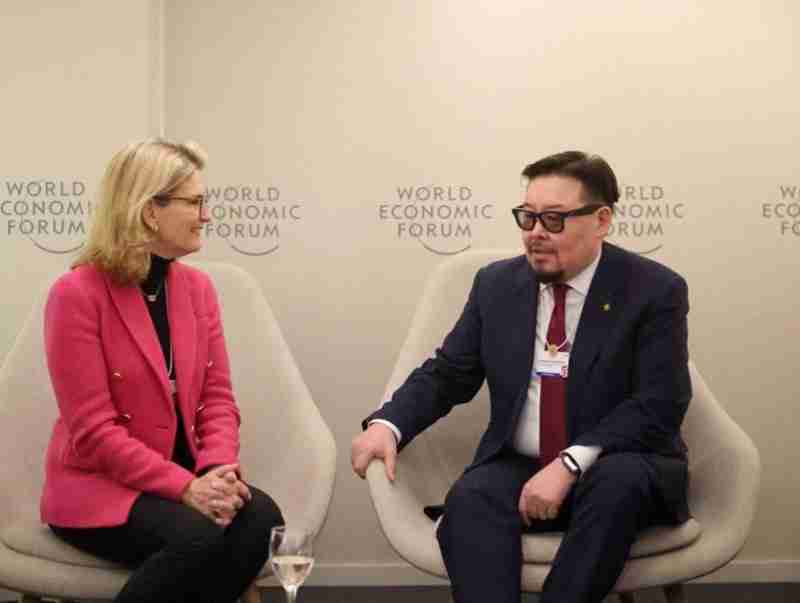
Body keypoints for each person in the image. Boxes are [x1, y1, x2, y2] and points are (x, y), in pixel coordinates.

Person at [351, 151, 691, 603]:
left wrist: (570, 463)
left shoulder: (653, 290)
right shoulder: (496, 285)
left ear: (602, 220)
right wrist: (388, 424)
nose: (535, 233)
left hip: (617, 462)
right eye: (527, 217)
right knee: (471, 499)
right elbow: (449, 373)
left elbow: (660, 403)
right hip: (520, 463)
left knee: (616, 483)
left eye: (553, 219)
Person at [41, 139, 283, 603]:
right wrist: (186, 488)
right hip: (102, 489)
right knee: (199, 536)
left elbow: (217, 399)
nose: (206, 215)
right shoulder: (76, 294)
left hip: (186, 480)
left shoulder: (198, 288)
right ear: (151, 211)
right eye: (195, 202)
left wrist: (217, 471)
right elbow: (93, 432)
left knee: (261, 518)